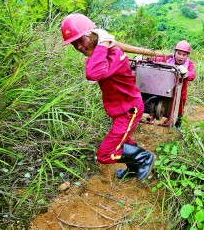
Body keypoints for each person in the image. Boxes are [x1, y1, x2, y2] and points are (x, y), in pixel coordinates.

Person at [60, 13, 155, 181]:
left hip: (129, 109)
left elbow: (93, 73)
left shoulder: (113, 53)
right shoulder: (97, 55)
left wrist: (103, 43)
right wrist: (100, 46)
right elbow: (94, 70)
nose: (79, 47)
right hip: (119, 109)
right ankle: (133, 168)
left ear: (93, 35)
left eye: (81, 40)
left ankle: (144, 158)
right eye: (74, 44)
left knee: (106, 154)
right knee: (123, 139)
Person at [147, 40, 195, 129]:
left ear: (187, 55)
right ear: (175, 52)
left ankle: (178, 123)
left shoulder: (189, 64)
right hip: (165, 87)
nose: (180, 57)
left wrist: (186, 73)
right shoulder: (168, 59)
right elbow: (154, 60)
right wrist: (143, 59)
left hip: (180, 91)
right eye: (179, 53)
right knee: (162, 101)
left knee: (180, 107)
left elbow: (192, 75)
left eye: (184, 55)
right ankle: (156, 112)